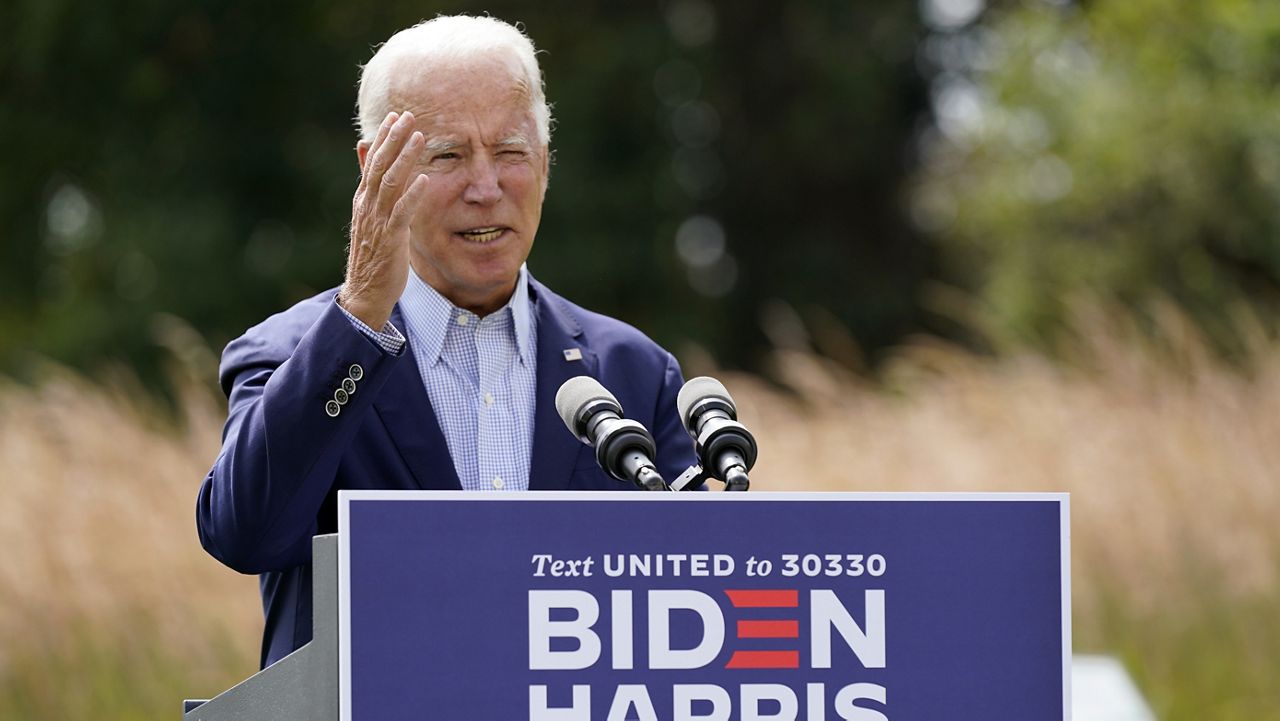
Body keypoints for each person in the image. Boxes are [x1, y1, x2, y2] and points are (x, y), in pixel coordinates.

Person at [196, 15, 696, 669]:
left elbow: (680, 601)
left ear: (546, 163)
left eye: (511, 153)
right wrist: (360, 319)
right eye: (447, 156)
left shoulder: (635, 371)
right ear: (375, 169)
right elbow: (245, 533)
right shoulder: (292, 354)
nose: (485, 188)